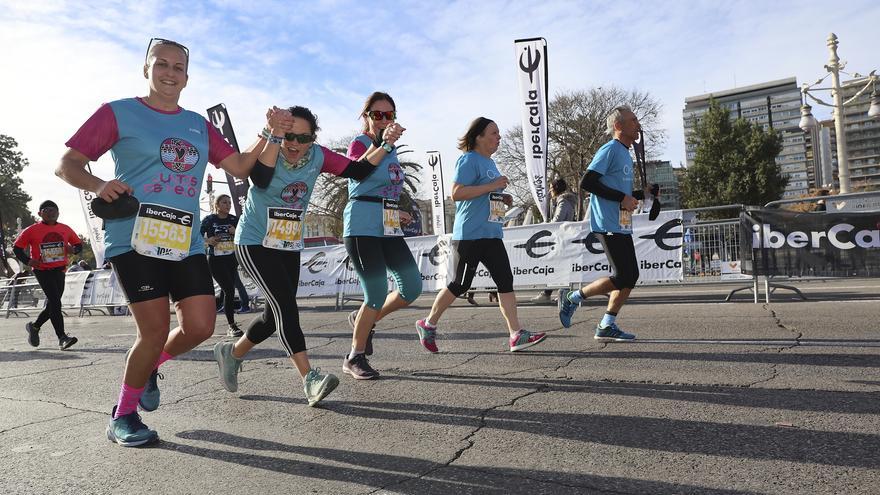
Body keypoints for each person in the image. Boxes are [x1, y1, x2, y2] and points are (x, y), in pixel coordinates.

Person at [56, 38, 265, 447]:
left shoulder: (197, 124)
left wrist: (268, 133)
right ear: (146, 68)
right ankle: (124, 415)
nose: (170, 73)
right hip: (133, 237)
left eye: (179, 67)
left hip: (183, 239)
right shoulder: (118, 112)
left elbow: (239, 166)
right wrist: (99, 184)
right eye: (162, 64)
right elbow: (66, 164)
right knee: (153, 331)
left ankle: (150, 367)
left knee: (202, 326)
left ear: (187, 76)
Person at [213, 105, 403, 403]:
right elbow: (260, 179)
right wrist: (274, 135)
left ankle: (232, 352)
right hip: (253, 242)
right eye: (290, 136)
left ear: (313, 139)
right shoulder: (271, 145)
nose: (295, 145)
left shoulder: (318, 156)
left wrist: (385, 144)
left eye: (304, 139)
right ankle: (310, 379)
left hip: (287, 244)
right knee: (286, 307)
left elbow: (359, 169)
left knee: (272, 316)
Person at [415, 117, 547, 353]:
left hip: (492, 233)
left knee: (505, 281)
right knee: (460, 284)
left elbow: (484, 194)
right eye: (494, 133)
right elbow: (456, 193)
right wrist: (491, 186)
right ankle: (428, 323)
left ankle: (516, 334)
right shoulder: (468, 160)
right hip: (470, 234)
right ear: (479, 137)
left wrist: (501, 197)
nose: (499, 137)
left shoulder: (491, 163)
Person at [343, 92, 422, 379]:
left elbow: (385, 188)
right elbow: (359, 172)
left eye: (389, 115)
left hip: (387, 225)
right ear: (366, 116)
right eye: (378, 114)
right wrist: (384, 142)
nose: (384, 120)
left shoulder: (393, 151)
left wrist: (395, 210)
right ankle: (355, 356)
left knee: (411, 287)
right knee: (375, 293)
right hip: (362, 226)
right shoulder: (361, 143)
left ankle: (364, 319)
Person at [558, 105, 650, 341]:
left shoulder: (624, 152)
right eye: (633, 120)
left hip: (620, 223)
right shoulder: (609, 149)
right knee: (624, 276)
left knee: (630, 276)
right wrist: (623, 198)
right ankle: (572, 298)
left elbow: (620, 191)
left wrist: (641, 194)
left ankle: (607, 324)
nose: (638, 124)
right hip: (607, 223)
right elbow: (587, 182)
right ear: (618, 126)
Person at [12, 200, 83, 349]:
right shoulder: (31, 230)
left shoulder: (65, 229)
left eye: (54, 210)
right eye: (47, 210)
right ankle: (62, 338)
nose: (51, 212)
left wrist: (73, 250)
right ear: (40, 213)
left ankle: (35, 326)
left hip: (60, 269)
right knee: (55, 302)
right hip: (42, 270)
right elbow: (17, 248)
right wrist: (28, 261)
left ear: (58, 213)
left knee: (53, 303)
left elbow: (78, 245)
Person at [200, 194, 243, 337]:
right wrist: (208, 240)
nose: (228, 205)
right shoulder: (209, 220)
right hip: (215, 260)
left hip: (231, 259)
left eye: (229, 202)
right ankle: (232, 326)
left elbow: (244, 236)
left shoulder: (234, 220)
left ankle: (211, 313)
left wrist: (235, 232)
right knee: (230, 290)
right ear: (217, 205)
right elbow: (197, 235)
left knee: (226, 291)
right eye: (224, 202)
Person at [531, 178, 578, 303]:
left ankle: (550, 293)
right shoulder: (562, 200)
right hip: (562, 237)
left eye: (551, 188)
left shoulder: (563, 201)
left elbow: (558, 220)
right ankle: (554, 292)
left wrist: (546, 225)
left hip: (562, 238)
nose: (550, 191)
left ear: (556, 189)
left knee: (556, 266)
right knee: (559, 267)